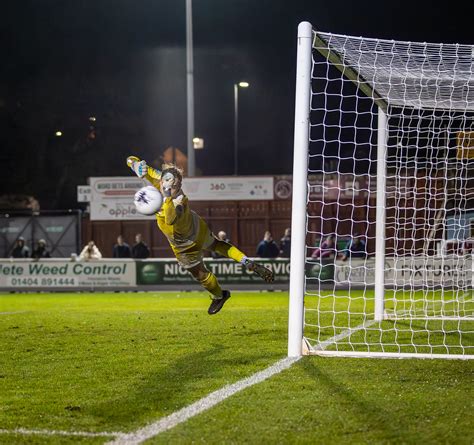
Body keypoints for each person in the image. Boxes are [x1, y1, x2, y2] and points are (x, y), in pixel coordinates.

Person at [126, 155, 274, 315]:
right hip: (197, 228)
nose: (168, 185)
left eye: (173, 185)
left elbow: (170, 220)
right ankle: (246, 261)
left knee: (201, 274)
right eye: (166, 182)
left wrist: (167, 196)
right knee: (217, 245)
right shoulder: (161, 179)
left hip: (184, 245)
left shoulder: (179, 201)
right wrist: (135, 164)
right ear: (162, 179)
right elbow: (130, 159)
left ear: (179, 185)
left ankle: (220, 296)